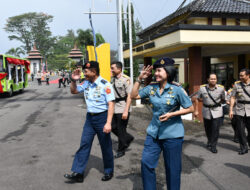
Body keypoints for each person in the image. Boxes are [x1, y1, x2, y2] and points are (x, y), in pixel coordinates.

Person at [131, 57, 194, 190]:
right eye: (156, 71)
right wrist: (139, 79)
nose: (156, 73)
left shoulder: (177, 89)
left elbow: (191, 108)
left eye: (159, 71)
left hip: (172, 135)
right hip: (154, 133)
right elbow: (134, 95)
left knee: (173, 169)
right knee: (146, 163)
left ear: (169, 72)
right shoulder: (151, 88)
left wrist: (172, 114)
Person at [64, 61, 115, 183]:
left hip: (102, 118)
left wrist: (108, 123)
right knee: (84, 144)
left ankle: (108, 170)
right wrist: (73, 80)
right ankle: (78, 173)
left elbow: (111, 104)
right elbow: (74, 91)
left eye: (86, 71)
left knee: (105, 146)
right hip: (90, 119)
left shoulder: (105, 84)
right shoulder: (86, 83)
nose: (84, 73)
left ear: (94, 71)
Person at [194, 74, 225, 153]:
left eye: (214, 79)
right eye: (211, 79)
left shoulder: (221, 89)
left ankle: (213, 145)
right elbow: (197, 99)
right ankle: (209, 140)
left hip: (217, 110)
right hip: (206, 110)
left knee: (215, 129)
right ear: (208, 80)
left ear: (216, 80)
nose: (213, 80)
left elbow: (223, 98)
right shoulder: (202, 88)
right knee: (208, 128)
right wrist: (196, 110)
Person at [110, 61, 134, 159]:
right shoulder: (113, 79)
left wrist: (126, 111)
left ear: (119, 69)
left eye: (112, 68)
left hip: (123, 106)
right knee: (112, 126)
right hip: (115, 106)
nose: (111, 70)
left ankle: (121, 150)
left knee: (121, 129)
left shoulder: (126, 80)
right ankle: (128, 138)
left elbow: (129, 96)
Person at [229, 68, 250, 155]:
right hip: (239, 110)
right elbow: (233, 97)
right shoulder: (237, 85)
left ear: (248, 75)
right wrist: (231, 110)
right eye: (240, 75)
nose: (240, 77)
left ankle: (247, 142)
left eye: (242, 75)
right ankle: (243, 147)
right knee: (241, 131)